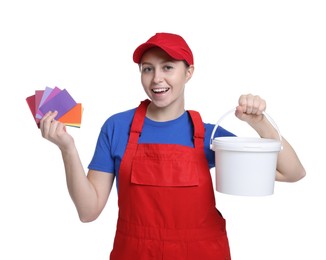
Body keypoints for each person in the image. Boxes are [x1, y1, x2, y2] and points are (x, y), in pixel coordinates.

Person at [40, 32, 306, 260]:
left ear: (188, 72)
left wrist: (258, 123)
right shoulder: (116, 128)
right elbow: (88, 211)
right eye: (148, 68)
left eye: (168, 67)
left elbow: (292, 172)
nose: (157, 78)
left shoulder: (210, 136)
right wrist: (67, 149)